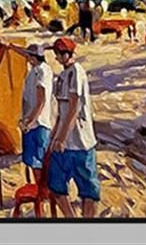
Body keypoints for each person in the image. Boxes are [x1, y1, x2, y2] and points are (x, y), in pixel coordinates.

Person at [47, 37, 99, 218]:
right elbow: (61, 111)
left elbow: (73, 108)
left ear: (67, 54)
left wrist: (61, 138)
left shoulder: (77, 72)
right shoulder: (62, 76)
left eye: (58, 54)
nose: (56, 58)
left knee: (88, 189)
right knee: (56, 185)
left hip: (81, 141)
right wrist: (55, 135)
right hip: (64, 143)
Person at [19, 44, 55, 182]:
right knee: (34, 162)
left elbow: (41, 101)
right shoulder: (35, 70)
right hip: (33, 123)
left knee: (40, 162)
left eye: (29, 56)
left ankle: (43, 189)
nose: (27, 58)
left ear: (34, 58)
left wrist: (30, 121)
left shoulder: (42, 71)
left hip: (38, 124)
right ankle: (40, 188)